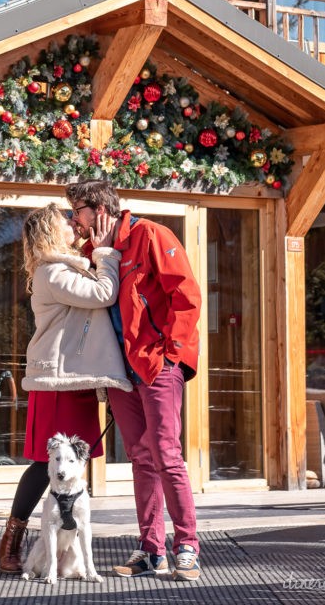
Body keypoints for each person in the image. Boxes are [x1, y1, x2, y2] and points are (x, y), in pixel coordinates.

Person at [66, 179, 202, 581]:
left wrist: (171, 353)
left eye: (78, 212)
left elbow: (186, 296)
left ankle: (187, 544)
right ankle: (151, 549)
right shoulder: (94, 253)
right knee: (141, 459)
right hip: (121, 373)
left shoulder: (151, 234)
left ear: (100, 209)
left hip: (157, 366)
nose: (75, 221)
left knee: (166, 454)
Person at [0, 202, 131, 573]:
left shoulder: (68, 266)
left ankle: (66, 541)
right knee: (46, 462)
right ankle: (13, 535)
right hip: (58, 380)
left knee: (70, 463)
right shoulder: (53, 271)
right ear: (50, 233)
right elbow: (104, 293)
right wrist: (106, 252)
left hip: (75, 378)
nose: (74, 223)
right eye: (66, 220)